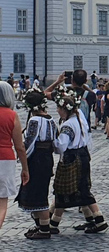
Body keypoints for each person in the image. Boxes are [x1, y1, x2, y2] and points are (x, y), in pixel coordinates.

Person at [50, 93, 108, 234]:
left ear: (65, 109)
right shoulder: (79, 119)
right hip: (83, 155)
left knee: (64, 190)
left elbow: (61, 146)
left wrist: (52, 141)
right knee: (81, 188)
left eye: (59, 108)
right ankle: (94, 219)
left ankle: (53, 224)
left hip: (71, 158)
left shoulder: (68, 125)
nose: (57, 111)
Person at [15, 88, 57, 239]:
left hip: (37, 158)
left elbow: (30, 143)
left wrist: (23, 157)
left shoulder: (34, 120)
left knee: (38, 193)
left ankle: (44, 229)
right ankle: (41, 225)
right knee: (41, 189)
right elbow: (53, 140)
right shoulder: (50, 119)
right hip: (47, 158)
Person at [0, 82, 30, 230]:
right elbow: (20, 146)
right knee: (1, 202)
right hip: (5, 159)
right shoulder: (12, 116)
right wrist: (25, 168)